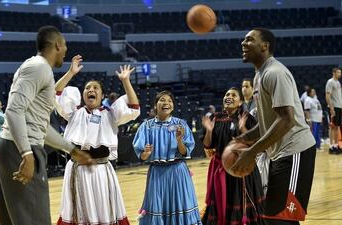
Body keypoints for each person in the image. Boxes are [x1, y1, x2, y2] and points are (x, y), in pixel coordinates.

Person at [0, 26, 92, 225]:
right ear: (57, 45)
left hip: (11, 146)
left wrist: (70, 149)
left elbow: (39, 125)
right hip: (18, 148)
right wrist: (26, 154)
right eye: (64, 46)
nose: (65, 51)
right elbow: (13, 110)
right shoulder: (39, 67)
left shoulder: (37, 67)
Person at [233, 28, 316, 225]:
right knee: (271, 216)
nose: (243, 43)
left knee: (281, 218)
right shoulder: (259, 76)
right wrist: (243, 139)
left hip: (296, 151)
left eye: (249, 40)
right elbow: (267, 123)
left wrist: (252, 151)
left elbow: (286, 119)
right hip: (279, 155)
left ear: (265, 46)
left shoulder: (275, 73)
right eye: (243, 40)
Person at [55, 65, 140, 225]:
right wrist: (71, 73)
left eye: (95, 88)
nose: (91, 90)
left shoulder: (111, 114)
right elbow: (56, 93)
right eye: (87, 88)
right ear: (83, 95)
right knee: (78, 211)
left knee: (103, 211)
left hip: (101, 171)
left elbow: (135, 108)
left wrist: (126, 81)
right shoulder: (73, 113)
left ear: (102, 95)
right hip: (77, 170)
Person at [132, 90, 202, 225]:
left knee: (180, 204)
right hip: (157, 173)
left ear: (173, 106)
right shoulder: (146, 126)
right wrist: (146, 153)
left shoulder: (180, 124)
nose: (166, 103)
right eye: (162, 100)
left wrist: (179, 140)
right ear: (155, 105)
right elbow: (142, 156)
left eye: (169, 101)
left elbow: (184, 152)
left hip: (178, 172)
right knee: (157, 206)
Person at [201, 87, 264, 225]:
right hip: (220, 169)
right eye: (227, 94)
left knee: (241, 204)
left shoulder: (246, 117)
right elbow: (207, 146)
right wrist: (209, 131)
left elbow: (254, 144)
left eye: (234, 95)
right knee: (220, 203)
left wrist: (243, 129)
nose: (229, 96)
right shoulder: (215, 118)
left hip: (242, 169)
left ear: (240, 102)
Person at [325, 68, 342, 154]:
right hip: (333, 107)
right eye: (338, 72)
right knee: (332, 127)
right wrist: (331, 108)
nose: (340, 74)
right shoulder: (330, 82)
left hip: (339, 107)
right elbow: (327, 96)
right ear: (334, 73)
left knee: (336, 127)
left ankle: (336, 145)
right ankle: (331, 146)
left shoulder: (338, 82)